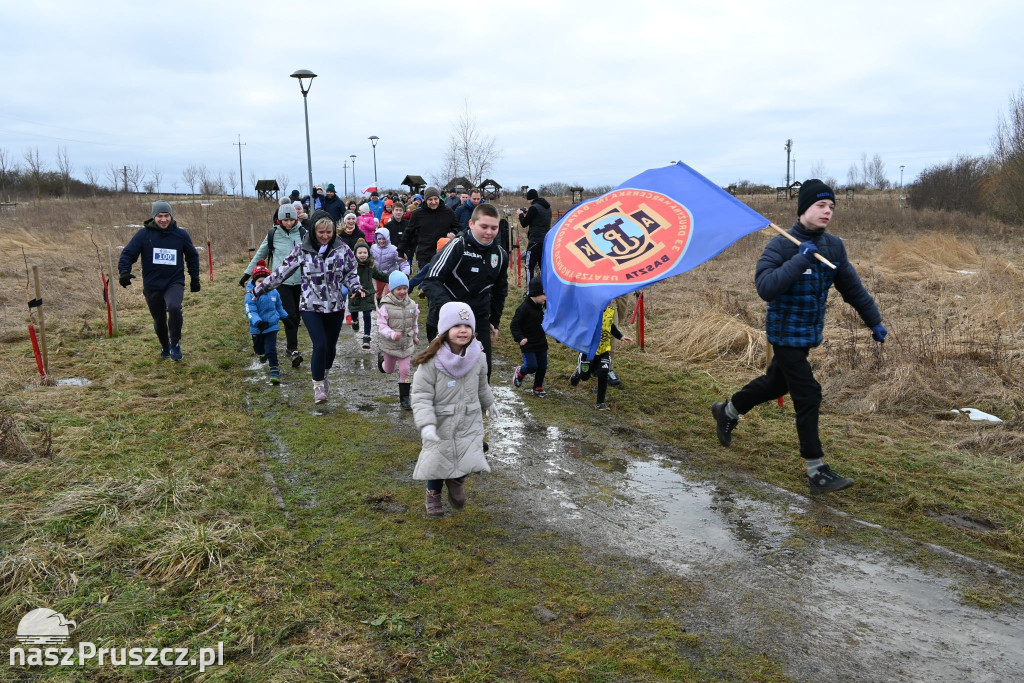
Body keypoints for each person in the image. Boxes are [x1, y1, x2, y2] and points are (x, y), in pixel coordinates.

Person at [710, 179, 887, 494]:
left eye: (831, 206)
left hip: (807, 335)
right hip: (784, 334)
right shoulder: (781, 245)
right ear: (804, 208)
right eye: (821, 205)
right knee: (808, 394)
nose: (827, 211)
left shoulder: (833, 247)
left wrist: (874, 321)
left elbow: (852, 288)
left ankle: (728, 410)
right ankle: (816, 469)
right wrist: (800, 259)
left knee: (776, 383)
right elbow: (766, 287)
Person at [253, 214, 366, 404]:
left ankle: (325, 373)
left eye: (328, 232)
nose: (325, 236)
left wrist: (356, 287)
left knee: (330, 348)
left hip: (335, 306)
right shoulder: (302, 250)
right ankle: (318, 386)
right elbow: (282, 272)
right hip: (310, 305)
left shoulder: (342, 249)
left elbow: (350, 273)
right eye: (321, 232)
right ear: (313, 231)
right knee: (319, 345)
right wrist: (260, 289)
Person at [411, 302, 497, 517]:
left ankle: (457, 479)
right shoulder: (432, 361)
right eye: (456, 326)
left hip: (469, 417)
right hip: (441, 420)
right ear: (444, 330)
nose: (463, 330)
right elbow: (421, 395)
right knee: (439, 458)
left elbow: (482, 385)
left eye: (467, 326)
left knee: (468, 452)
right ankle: (433, 493)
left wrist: (489, 402)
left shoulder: (478, 357)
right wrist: (426, 423)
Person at [420, 203, 509, 378]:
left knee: (482, 372)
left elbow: (500, 289)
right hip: (444, 319)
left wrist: (495, 319)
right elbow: (430, 281)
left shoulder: (500, 255)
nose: (489, 232)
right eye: (484, 227)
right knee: (445, 375)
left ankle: (479, 406)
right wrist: (453, 312)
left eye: (494, 227)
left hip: (478, 319)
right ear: (471, 224)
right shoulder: (457, 246)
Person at [118, 200, 200, 361]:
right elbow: (128, 254)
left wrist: (194, 278)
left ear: (171, 216)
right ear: (153, 217)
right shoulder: (143, 235)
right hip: (152, 285)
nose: (163, 219)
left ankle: (175, 343)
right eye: (160, 216)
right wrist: (124, 272)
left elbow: (192, 256)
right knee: (159, 318)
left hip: (174, 281)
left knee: (174, 307)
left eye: (166, 216)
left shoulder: (180, 235)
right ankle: (164, 346)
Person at [241, 204, 307, 368]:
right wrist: (247, 274)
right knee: (289, 315)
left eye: (292, 219)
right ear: (280, 220)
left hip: (301, 280)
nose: (289, 223)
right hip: (281, 282)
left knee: (297, 316)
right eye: (286, 220)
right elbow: (261, 253)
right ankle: (292, 350)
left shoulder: (303, 233)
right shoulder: (273, 234)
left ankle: (290, 347)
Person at [569, 304, 633, 410]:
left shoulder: (610, 311)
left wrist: (621, 336)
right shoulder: (589, 312)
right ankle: (578, 373)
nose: (607, 302)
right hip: (588, 351)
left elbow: (611, 325)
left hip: (604, 350)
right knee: (585, 376)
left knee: (603, 373)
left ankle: (600, 403)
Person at [377, 271, 420, 410]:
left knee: (405, 370)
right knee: (388, 370)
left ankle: (405, 398)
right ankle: (382, 360)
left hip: (405, 345)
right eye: (399, 289)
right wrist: (391, 334)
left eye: (405, 288)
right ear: (392, 289)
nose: (402, 292)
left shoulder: (412, 305)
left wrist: (415, 336)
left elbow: (414, 323)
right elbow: (381, 325)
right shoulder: (385, 306)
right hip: (390, 345)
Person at [245, 260, 288, 384]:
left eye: (265, 281)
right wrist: (258, 322)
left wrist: (285, 318)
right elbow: (250, 311)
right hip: (257, 327)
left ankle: (274, 371)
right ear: (254, 282)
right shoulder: (250, 295)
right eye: (259, 281)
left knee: (271, 349)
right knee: (259, 348)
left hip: (271, 326)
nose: (262, 284)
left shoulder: (274, 292)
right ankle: (261, 353)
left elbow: (279, 306)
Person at [399, 186, 461, 272]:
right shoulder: (417, 214)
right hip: (424, 255)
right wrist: (401, 250)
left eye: (436, 199)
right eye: (430, 199)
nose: (433, 202)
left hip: (444, 254)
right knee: (425, 282)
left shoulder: (448, 212)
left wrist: (453, 232)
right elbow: (408, 233)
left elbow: (458, 227)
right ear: (425, 200)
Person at [509, 278, 548, 397]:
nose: (546, 298)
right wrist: (520, 338)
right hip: (528, 343)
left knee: (542, 366)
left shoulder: (543, 306)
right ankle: (520, 372)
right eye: (544, 295)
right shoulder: (524, 308)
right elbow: (514, 325)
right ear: (536, 293)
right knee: (532, 366)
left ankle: (538, 387)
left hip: (541, 342)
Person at [350, 240, 390, 350]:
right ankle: (355, 320)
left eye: (365, 252)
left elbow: (377, 275)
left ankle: (366, 337)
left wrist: (391, 278)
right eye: (360, 253)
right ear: (355, 254)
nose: (362, 255)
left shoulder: (371, 264)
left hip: (368, 293)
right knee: (354, 310)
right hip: (355, 293)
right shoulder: (352, 264)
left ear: (368, 253)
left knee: (367, 315)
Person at [517, 189, 553, 287]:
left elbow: (524, 223)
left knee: (529, 267)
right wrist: (528, 214)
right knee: (543, 267)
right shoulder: (547, 207)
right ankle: (546, 290)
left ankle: (530, 293)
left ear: (530, 199)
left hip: (535, 241)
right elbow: (538, 219)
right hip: (545, 241)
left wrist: (520, 214)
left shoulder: (534, 208)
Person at [371, 227, 409, 302]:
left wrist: (405, 273)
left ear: (387, 238)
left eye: (383, 239)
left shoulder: (394, 249)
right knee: (378, 293)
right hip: (379, 275)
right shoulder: (373, 248)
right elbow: (368, 259)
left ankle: (387, 307)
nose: (381, 241)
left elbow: (403, 262)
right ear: (376, 239)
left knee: (389, 293)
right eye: (379, 239)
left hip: (391, 275)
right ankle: (379, 304)